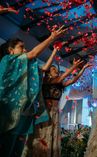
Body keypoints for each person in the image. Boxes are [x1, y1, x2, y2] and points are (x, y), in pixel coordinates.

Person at [0, 26, 66, 157]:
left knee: (17, 150)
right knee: (5, 149)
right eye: (21, 47)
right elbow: (33, 54)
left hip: (24, 112)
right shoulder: (7, 60)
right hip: (10, 112)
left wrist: (54, 52)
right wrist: (51, 37)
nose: (25, 50)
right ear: (11, 50)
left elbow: (43, 69)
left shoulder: (27, 65)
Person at [31, 61, 92, 157]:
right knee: (45, 135)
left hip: (55, 113)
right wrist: (74, 66)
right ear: (48, 73)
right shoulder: (47, 81)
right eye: (53, 69)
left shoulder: (59, 83)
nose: (56, 70)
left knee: (53, 136)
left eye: (56, 69)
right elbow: (63, 77)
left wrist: (83, 68)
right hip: (47, 113)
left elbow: (73, 80)